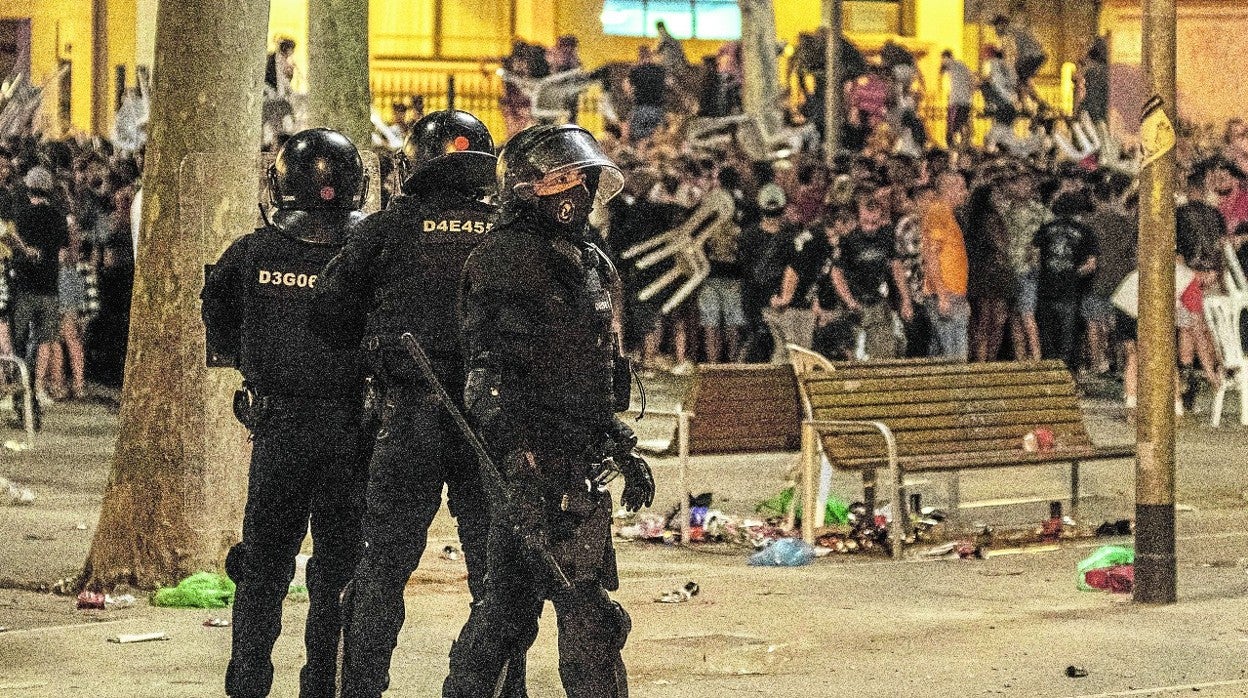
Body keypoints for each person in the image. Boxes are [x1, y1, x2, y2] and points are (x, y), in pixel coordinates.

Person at [443, 124, 655, 698]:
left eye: (583, 179)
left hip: (575, 458)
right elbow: (490, 376)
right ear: (529, 188)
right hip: (530, 460)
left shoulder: (584, 258)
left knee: (553, 611)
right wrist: (518, 466)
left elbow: (587, 369)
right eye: (565, 180)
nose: (579, 191)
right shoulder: (506, 259)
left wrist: (618, 444)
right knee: (538, 614)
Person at [308, 110, 508, 698]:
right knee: (496, 578)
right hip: (490, 421)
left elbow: (329, 314)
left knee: (382, 570)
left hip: (409, 415)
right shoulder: (507, 232)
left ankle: (361, 688)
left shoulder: (387, 228)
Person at [200, 128, 369, 698]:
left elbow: (216, 307)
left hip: (280, 431)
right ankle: (322, 686)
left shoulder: (254, 252)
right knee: (338, 573)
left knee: (264, 569)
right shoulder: (367, 251)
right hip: (352, 431)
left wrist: (254, 357)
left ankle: (248, 683)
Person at [7, 166, 70, 404]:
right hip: (49, 285)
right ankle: (39, 388)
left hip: (23, 285)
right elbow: (63, 250)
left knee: (17, 339)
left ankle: (16, 387)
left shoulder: (20, 216)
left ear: (29, 188)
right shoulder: (58, 217)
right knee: (45, 340)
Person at [831, 200, 905, 359]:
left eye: (874, 222)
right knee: (853, 355)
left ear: (881, 219)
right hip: (853, 305)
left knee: (885, 353)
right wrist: (849, 301)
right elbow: (836, 274)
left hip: (877, 302)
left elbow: (897, 267)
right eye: (866, 222)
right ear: (858, 219)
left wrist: (906, 299)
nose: (870, 227)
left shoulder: (886, 237)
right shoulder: (848, 240)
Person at [1035, 191, 1099, 373]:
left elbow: (1033, 256)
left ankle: (1049, 373)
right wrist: (1072, 274)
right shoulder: (1086, 231)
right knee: (1069, 337)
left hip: (1046, 288)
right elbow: (1091, 264)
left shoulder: (1046, 228)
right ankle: (1067, 375)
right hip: (1071, 291)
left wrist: (1048, 271)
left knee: (1048, 336)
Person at [918, 171, 970, 360]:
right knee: (955, 357)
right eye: (962, 188)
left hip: (953, 293)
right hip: (946, 293)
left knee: (941, 354)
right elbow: (931, 255)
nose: (966, 192)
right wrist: (942, 296)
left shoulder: (946, 214)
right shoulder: (938, 212)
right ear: (949, 190)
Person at [625, 46, 668, 144]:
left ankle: (641, 152)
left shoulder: (635, 70)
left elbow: (626, 86)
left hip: (640, 108)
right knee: (656, 138)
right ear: (650, 55)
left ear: (640, 55)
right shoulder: (660, 70)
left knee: (638, 138)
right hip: (657, 109)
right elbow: (668, 84)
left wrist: (631, 97)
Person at [940, 50, 974, 149]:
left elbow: (942, 71)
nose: (942, 61)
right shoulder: (963, 66)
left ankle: (952, 145)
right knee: (963, 122)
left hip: (956, 101)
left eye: (943, 59)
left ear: (947, 57)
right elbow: (971, 80)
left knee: (952, 125)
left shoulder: (950, 65)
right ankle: (965, 143)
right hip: (966, 101)